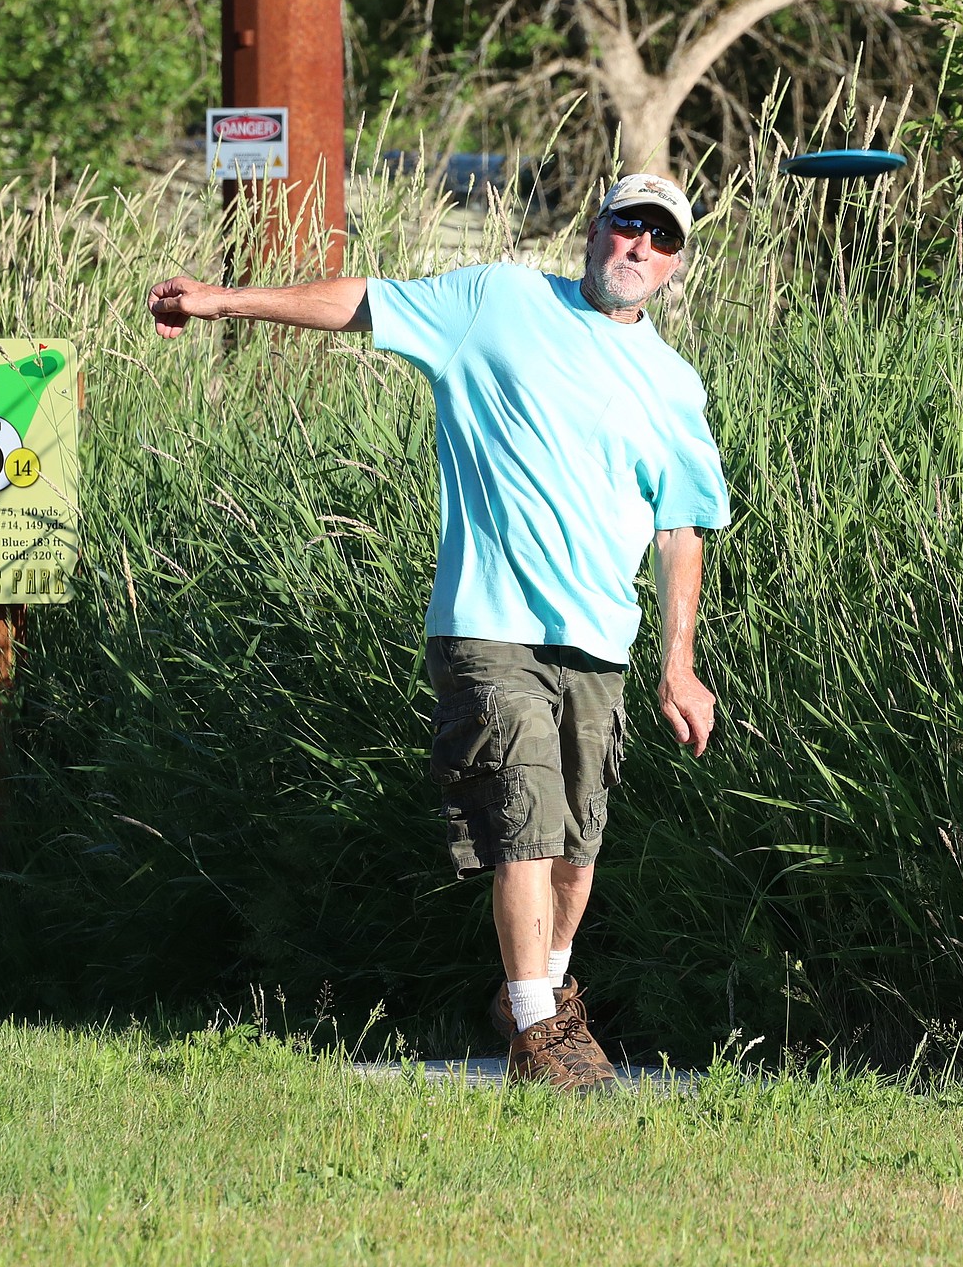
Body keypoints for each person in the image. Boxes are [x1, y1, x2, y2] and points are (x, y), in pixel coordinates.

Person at [148, 172, 730, 1092]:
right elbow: (364, 302)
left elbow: (679, 528)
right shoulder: (496, 301)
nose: (639, 248)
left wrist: (679, 664)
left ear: (674, 265)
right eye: (628, 226)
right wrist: (229, 299)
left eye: (661, 239)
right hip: (488, 626)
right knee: (526, 832)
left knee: (579, 853)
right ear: (595, 229)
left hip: (599, 642)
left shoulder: (672, 382)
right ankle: (542, 1033)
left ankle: (539, 993)